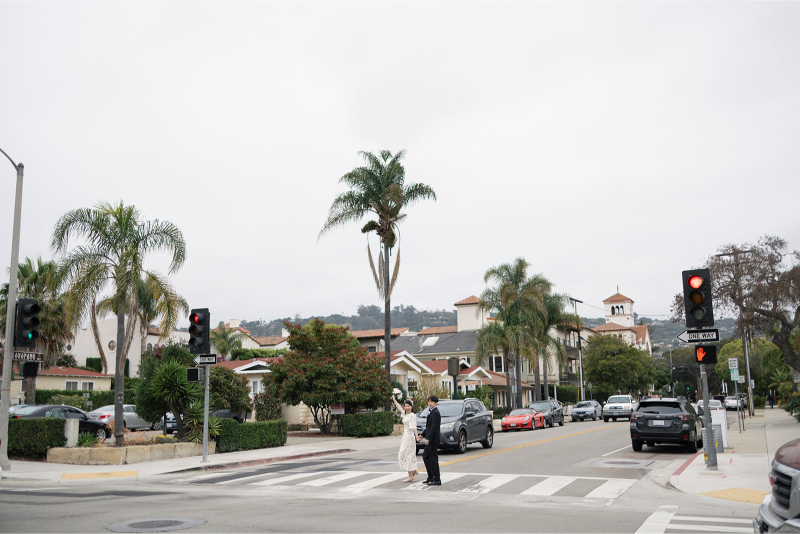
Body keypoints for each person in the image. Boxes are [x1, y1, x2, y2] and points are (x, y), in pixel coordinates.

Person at [391, 395, 420, 482]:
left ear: (411, 407)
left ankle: (410, 475)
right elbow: (399, 408)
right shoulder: (404, 414)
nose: (407, 407)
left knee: (408, 454)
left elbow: (414, 426)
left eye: (408, 406)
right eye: (405, 406)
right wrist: (394, 400)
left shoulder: (412, 415)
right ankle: (413, 470)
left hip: (410, 437)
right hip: (405, 436)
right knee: (403, 454)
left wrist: (417, 436)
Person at [418, 395, 441, 486]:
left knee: (433, 459)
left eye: (431, 402)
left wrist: (428, 438)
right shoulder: (430, 412)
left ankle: (437, 479)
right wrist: (422, 435)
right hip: (429, 438)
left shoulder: (435, 412)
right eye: (429, 401)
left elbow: (434, 427)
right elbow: (428, 427)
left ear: (436, 403)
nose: (429, 403)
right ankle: (431, 476)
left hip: (433, 440)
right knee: (426, 457)